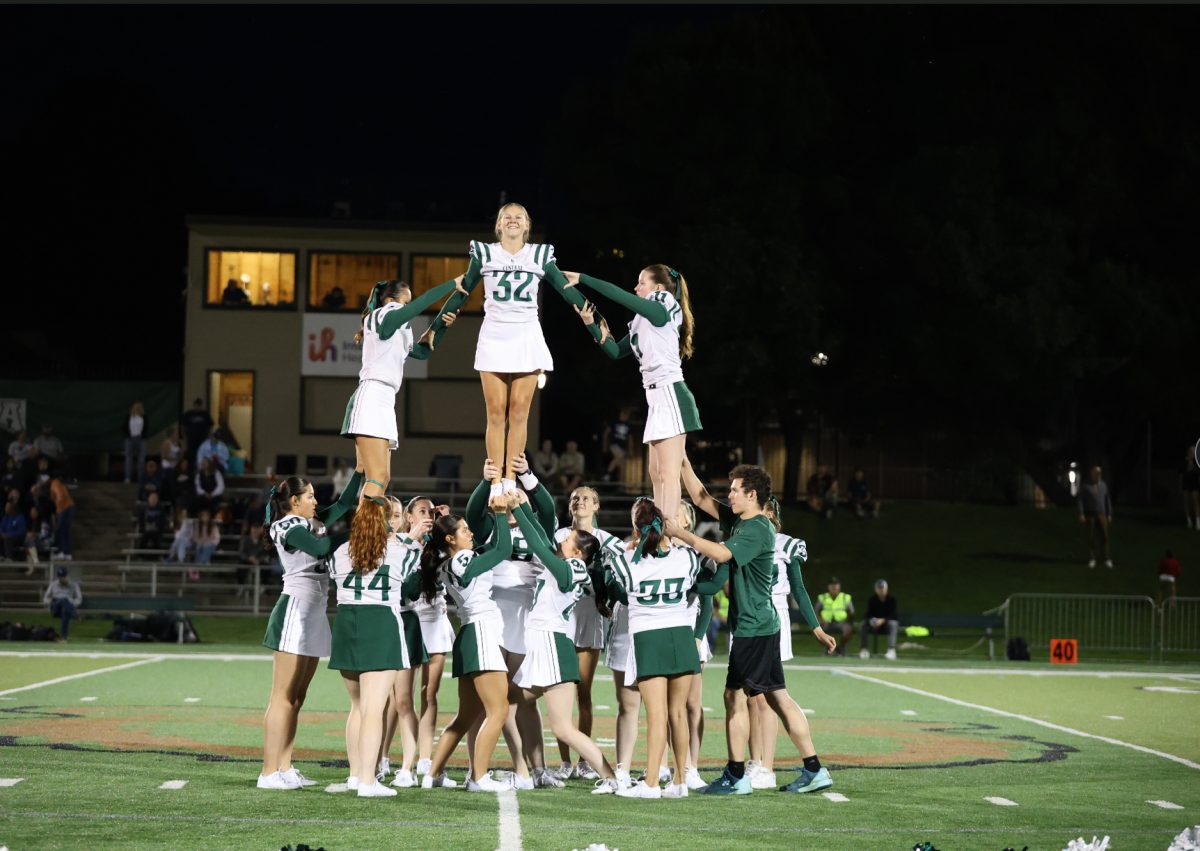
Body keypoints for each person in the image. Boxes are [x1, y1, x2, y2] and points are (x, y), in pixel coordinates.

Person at [667, 460, 836, 796]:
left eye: (734, 490)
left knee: (735, 697)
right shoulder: (741, 520)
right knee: (778, 698)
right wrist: (682, 458)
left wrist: (681, 534)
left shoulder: (758, 529)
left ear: (752, 495)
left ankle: (736, 775)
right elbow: (701, 498)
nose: (728, 495)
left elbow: (720, 553)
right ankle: (814, 768)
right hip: (759, 625)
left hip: (754, 627)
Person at [419, 203, 589, 498]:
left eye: (518, 217)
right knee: (496, 413)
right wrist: (436, 326)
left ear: (527, 226)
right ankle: (495, 480)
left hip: (526, 333)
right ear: (498, 226)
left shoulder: (539, 254)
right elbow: (464, 289)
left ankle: (511, 480)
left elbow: (565, 290)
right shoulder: (485, 253)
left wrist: (591, 314)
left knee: (519, 412)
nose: (512, 220)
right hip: (495, 334)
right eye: (506, 217)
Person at [257, 468, 363, 790]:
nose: (316, 501)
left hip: (315, 612)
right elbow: (320, 549)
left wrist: (360, 472)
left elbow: (344, 504)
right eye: (311, 496)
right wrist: (360, 532)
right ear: (294, 501)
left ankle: (285, 767)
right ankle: (268, 772)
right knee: (282, 697)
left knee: (298, 697)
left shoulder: (310, 522)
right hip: (294, 610)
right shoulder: (286, 525)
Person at [571, 263, 699, 522]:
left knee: (668, 473)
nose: (636, 287)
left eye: (641, 282)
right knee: (655, 472)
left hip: (671, 393)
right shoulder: (644, 320)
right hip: (656, 399)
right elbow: (615, 351)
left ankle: (668, 535)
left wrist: (584, 277)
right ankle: (658, 530)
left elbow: (620, 296)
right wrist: (590, 323)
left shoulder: (662, 306)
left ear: (659, 288)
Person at [510, 495, 620, 794]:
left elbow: (536, 543)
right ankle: (538, 771)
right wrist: (522, 503)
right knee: (515, 704)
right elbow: (541, 534)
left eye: (569, 539)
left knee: (562, 727)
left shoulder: (572, 568)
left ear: (579, 551)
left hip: (553, 647)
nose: (562, 540)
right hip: (541, 643)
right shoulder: (565, 561)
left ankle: (611, 777)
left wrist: (517, 509)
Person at [340, 276, 462, 542]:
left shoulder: (400, 325)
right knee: (377, 476)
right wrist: (449, 285)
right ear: (392, 299)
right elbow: (411, 311)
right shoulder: (382, 315)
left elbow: (421, 352)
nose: (408, 306)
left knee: (382, 478)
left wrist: (440, 325)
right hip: (371, 394)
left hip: (385, 399)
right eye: (406, 300)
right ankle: (363, 538)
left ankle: (368, 535)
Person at [464, 454, 560, 790]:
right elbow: (472, 514)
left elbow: (548, 509)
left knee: (524, 701)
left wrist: (529, 477)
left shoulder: (535, 525)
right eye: (505, 491)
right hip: (492, 622)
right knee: (489, 702)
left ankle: (538, 767)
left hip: (524, 621)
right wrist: (485, 481)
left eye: (515, 491)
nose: (510, 494)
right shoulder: (492, 525)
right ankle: (480, 768)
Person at [608, 497, 713, 799]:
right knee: (677, 714)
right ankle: (680, 781)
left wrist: (633, 547)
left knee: (656, 716)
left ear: (636, 528)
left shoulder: (625, 561)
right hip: (681, 636)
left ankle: (652, 783)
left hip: (649, 638)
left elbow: (613, 584)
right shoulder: (687, 557)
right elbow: (710, 576)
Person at [418, 498, 517, 792]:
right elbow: (503, 550)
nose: (470, 533)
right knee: (498, 711)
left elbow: (494, 546)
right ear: (450, 539)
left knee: (466, 716)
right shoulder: (461, 560)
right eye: (464, 530)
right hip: (481, 633)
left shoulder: (451, 561)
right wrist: (500, 513)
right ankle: (478, 777)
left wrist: (499, 514)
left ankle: (433, 774)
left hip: (471, 635)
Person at [326, 507, 424, 797]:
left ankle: (356, 775)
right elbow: (412, 586)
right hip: (380, 623)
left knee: (357, 707)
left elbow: (335, 574)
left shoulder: (340, 550)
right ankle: (368, 780)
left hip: (345, 623)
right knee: (373, 709)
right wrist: (412, 540)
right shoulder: (400, 551)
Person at [745, 497, 823, 790]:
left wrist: (815, 627)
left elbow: (799, 590)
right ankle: (760, 762)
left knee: (770, 696)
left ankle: (768, 767)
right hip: (752, 619)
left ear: (771, 514)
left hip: (771, 619)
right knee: (756, 696)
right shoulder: (746, 538)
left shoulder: (785, 544)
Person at [552, 486, 624, 782]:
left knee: (583, 692)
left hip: (590, 618)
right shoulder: (559, 537)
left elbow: (621, 572)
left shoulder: (609, 542)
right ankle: (565, 761)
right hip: (562, 618)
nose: (579, 501)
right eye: (574, 498)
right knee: (559, 691)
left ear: (596, 505)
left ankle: (583, 761)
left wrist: (609, 598)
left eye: (585, 498)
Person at [376, 495, 432, 789]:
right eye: (388, 515)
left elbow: (409, 591)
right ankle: (379, 759)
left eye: (397, 515)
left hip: (405, 621)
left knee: (402, 700)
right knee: (375, 701)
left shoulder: (412, 548)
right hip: (379, 621)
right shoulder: (372, 546)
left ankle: (408, 767)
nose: (392, 520)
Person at [403, 496, 454, 784]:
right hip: (410, 620)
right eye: (421, 511)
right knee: (400, 698)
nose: (427, 515)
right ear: (409, 517)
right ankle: (385, 758)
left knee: (428, 694)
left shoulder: (439, 546)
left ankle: (424, 759)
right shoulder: (400, 544)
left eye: (430, 512)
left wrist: (445, 522)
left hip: (434, 621)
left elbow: (460, 546)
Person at [1078, 465, 1114, 568]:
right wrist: (1081, 513)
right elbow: (1080, 500)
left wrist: (1109, 513)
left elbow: (1107, 500)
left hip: (1102, 514)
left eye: (1099, 473)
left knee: (1104, 536)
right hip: (1090, 514)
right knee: (1091, 536)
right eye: (1096, 473)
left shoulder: (1103, 485)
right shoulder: (1085, 486)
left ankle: (1106, 558)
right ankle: (1092, 558)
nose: (1098, 475)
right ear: (1092, 474)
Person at [858, 579, 899, 660]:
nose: (881, 590)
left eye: (882, 588)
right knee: (863, 625)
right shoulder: (872, 600)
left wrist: (883, 620)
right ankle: (864, 650)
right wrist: (872, 620)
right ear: (876, 589)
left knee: (893, 624)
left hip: (886, 624)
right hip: (875, 624)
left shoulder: (892, 600)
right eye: (879, 588)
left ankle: (891, 650)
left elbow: (893, 615)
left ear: (886, 589)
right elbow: (868, 614)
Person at [817, 577, 854, 654]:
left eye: (836, 584)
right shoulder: (823, 597)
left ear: (839, 586)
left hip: (841, 622)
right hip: (826, 622)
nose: (834, 586)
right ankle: (832, 648)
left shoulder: (845, 597)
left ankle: (840, 648)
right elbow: (815, 611)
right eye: (831, 585)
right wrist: (820, 620)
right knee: (816, 631)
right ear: (828, 587)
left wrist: (848, 621)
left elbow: (852, 612)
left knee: (848, 629)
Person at [43, 565, 82, 639]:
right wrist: (51, 600)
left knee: (65, 608)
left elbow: (79, 599)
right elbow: (45, 599)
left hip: (67, 608)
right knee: (63, 600)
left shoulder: (74, 585)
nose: (62, 579)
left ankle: (63, 637)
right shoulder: (53, 584)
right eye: (60, 577)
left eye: (63, 577)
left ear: (67, 576)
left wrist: (70, 603)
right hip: (55, 608)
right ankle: (76, 615)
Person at [601, 408, 633, 483]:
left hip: (622, 447)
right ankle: (607, 475)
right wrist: (605, 445)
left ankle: (621, 484)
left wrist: (630, 449)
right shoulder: (614, 422)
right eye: (623, 414)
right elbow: (606, 433)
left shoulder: (628, 425)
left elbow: (630, 438)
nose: (624, 416)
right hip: (614, 444)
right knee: (619, 456)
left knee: (622, 465)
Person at [180, 399, 213, 471]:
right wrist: (184, 437)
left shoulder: (205, 414)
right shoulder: (188, 414)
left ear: (201, 406)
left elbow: (210, 427)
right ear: (194, 405)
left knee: (202, 455)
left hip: (202, 439)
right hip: (191, 440)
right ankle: (191, 471)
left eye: (199, 406)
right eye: (196, 406)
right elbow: (183, 426)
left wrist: (209, 438)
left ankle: (201, 469)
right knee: (191, 456)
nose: (197, 407)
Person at [48, 475, 74, 560]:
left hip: (65, 508)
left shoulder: (54, 484)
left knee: (61, 530)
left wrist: (59, 510)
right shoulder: (60, 484)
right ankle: (67, 553)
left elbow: (60, 497)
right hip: (70, 507)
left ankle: (62, 552)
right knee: (65, 531)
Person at [124, 401, 146, 484]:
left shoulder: (143, 417)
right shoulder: (129, 417)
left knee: (141, 459)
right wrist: (128, 435)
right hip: (130, 439)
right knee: (129, 458)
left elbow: (145, 428)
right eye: (136, 407)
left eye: (139, 407)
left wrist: (142, 436)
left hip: (140, 439)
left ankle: (140, 479)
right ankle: (127, 477)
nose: (137, 409)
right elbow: (125, 426)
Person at [1181, 450, 1200, 531]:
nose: (1192, 453)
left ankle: (1198, 523)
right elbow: (1181, 475)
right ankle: (1189, 521)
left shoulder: (1197, 462)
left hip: (1195, 485)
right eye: (1191, 452)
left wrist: (1193, 466)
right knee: (1187, 503)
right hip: (1186, 485)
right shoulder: (1184, 463)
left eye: (1193, 452)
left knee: (1196, 502)